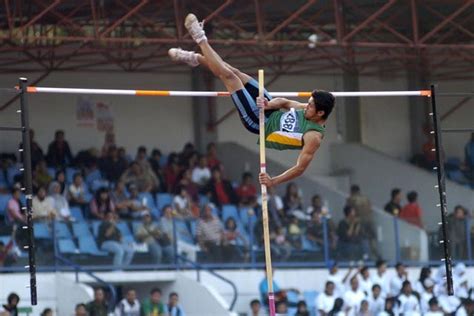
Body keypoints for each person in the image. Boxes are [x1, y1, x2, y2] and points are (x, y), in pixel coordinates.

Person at [169, 13, 335, 188]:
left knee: (231, 77)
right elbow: (285, 103)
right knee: (234, 71)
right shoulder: (309, 110)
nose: (306, 106)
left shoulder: (313, 137)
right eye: (308, 102)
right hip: (269, 110)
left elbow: (300, 168)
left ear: (320, 113)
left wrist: (273, 181)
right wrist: (268, 104)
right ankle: (195, 58)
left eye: (310, 106)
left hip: (259, 123)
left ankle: (200, 39)